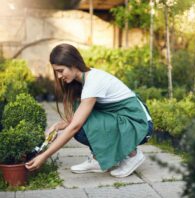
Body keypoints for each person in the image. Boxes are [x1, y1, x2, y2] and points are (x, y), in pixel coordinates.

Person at [25, 43, 153, 178]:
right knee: (80, 120)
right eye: (56, 72)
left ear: (73, 64)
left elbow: (75, 126)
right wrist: (57, 125)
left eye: (61, 71)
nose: (58, 76)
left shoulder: (93, 81)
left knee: (80, 128)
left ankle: (132, 155)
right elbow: (77, 116)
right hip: (126, 120)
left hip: (140, 124)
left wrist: (44, 156)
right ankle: (99, 160)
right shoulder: (83, 81)